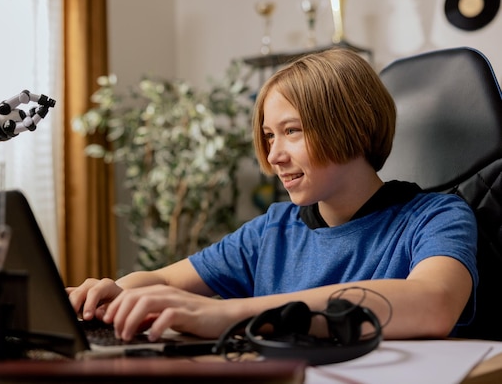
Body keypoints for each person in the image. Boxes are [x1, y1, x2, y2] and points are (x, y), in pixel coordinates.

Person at [67, 48, 478, 344]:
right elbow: (160, 280)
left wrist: (231, 313)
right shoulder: (272, 230)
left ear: (351, 125)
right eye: (268, 136)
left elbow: (434, 302)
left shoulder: (436, 216)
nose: (274, 155)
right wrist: (114, 293)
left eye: (292, 131)